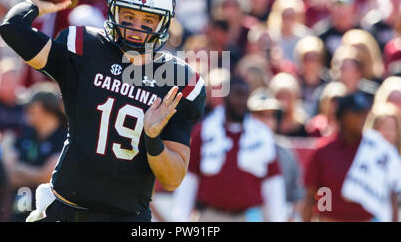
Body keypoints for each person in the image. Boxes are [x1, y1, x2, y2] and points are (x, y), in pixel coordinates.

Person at [0, 0, 206, 222]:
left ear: (163, 23)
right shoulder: (84, 47)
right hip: (65, 210)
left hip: (126, 217)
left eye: (148, 20)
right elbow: (12, 30)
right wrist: (36, 4)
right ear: (113, 11)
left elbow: (172, 178)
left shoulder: (179, 82)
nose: (136, 28)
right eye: (128, 16)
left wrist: (153, 139)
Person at [172, 77, 286, 222]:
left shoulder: (262, 135)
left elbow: (273, 184)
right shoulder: (204, 131)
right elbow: (189, 179)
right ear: (226, 96)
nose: (240, 102)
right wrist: (180, 219)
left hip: (249, 216)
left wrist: (277, 219)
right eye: (237, 95)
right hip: (211, 215)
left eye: (244, 96)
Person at [303, 92, 401, 222]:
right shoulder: (324, 151)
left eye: (363, 114)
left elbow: (391, 194)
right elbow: (311, 195)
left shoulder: (376, 149)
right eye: (355, 114)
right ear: (342, 116)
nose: (361, 118)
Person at [1, 83, 67, 222]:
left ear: (45, 109)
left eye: (31, 107)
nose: (26, 111)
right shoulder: (28, 135)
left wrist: (17, 168)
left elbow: (47, 176)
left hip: (50, 215)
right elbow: (9, 176)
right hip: (20, 213)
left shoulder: (64, 138)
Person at [248, 87, 305, 221]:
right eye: (261, 114)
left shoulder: (285, 152)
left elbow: (298, 194)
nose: (267, 120)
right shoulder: (237, 147)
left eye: (271, 115)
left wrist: (293, 215)